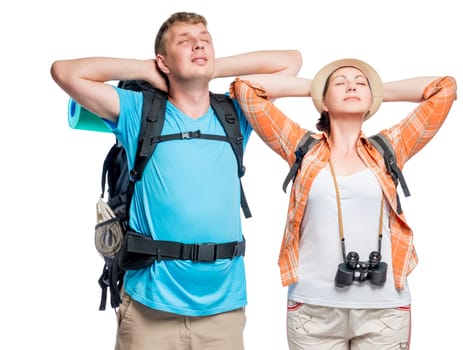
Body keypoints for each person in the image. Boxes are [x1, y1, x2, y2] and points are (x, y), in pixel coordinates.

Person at [50, 11, 302, 350]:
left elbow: (291, 63)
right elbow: (65, 72)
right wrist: (145, 70)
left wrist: (209, 66)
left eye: (205, 39)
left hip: (222, 309)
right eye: (185, 41)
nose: (199, 42)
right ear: (162, 61)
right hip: (149, 306)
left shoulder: (236, 112)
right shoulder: (138, 111)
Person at [230, 58, 457, 349]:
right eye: (340, 83)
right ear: (323, 101)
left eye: (360, 83)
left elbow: (444, 89)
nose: (352, 85)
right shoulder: (303, 147)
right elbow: (246, 89)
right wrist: (318, 90)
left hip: (384, 309)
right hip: (312, 309)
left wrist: (375, 92)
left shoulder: (390, 146)